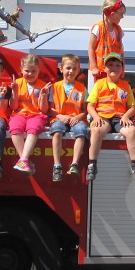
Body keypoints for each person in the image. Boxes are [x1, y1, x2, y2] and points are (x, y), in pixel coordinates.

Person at [86, 52, 135, 182]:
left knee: (131, 130)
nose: (114, 68)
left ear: (122, 69)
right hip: (103, 118)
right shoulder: (99, 84)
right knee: (96, 129)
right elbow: (90, 105)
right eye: (110, 65)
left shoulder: (126, 85)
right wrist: (96, 117)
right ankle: (92, 164)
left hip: (120, 118)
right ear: (104, 68)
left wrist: (127, 116)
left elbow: (132, 107)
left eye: (117, 65)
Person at [48, 53, 90, 181]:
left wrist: (78, 117)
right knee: (56, 132)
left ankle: (74, 164)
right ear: (61, 69)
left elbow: (85, 110)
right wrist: (60, 115)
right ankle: (57, 165)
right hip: (59, 118)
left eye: (74, 69)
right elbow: (49, 109)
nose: (71, 71)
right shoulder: (54, 87)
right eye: (68, 68)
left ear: (78, 70)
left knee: (82, 132)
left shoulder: (82, 88)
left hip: (76, 119)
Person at [9, 53, 49, 174]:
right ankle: (24, 160)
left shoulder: (43, 85)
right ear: (21, 70)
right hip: (19, 114)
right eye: (27, 71)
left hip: (36, 115)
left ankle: (23, 160)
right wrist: (15, 92)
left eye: (33, 71)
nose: (30, 74)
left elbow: (44, 110)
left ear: (39, 70)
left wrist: (43, 97)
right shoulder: (18, 83)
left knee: (33, 128)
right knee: (14, 127)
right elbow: (14, 106)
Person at [88, 0, 125, 83]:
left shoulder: (119, 30)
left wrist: (122, 69)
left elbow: (121, 52)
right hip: (102, 71)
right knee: (102, 93)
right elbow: (91, 48)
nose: (122, 17)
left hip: (115, 70)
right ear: (112, 14)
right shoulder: (98, 28)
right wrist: (94, 67)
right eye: (121, 14)